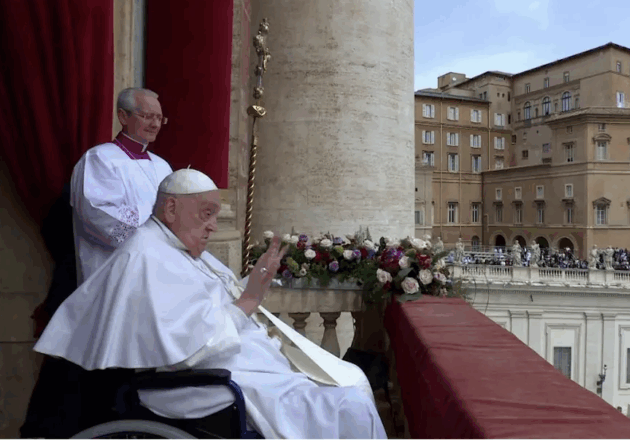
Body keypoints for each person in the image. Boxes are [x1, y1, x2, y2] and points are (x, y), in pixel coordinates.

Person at [34, 169, 387, 439]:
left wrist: (255, 285)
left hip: (236, 370)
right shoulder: (145, 256)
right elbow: (188, 349)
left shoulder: (179, 247)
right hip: (201, 385)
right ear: (170, 208)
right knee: (349, 406)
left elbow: (220, 306)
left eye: (215, 216)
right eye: (206, 214)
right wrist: (248, 300)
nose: (213, 227)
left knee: (351, 382)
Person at [70, 87, 173, 286]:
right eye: (147, 116)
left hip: (160, 265)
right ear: (123, 116)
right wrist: (154, 236)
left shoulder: (162, 166)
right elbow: (99, 216)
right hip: (115, 270)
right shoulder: (99, 159)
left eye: (160, 119)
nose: (155, 124)